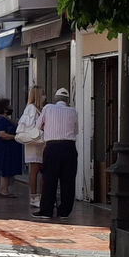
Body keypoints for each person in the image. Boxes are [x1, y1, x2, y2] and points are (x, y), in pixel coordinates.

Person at [36, 86, 81, 220]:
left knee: (49, 179)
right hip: (69, 147)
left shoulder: (48, 108)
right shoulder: (73, 111)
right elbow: (76, 131)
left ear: (56, 99)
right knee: (68, 180)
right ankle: (64, 212)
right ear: (67, 100)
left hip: (52, 147)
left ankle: (46, 211)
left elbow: (38, 126)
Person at [17, 85, 46, 210]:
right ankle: (34, 197)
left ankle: (43, 196)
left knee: (43, 170)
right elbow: (29, 126)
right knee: (34, 170)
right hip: (34, 143)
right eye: (43, 93)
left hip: (41, 143)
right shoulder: (31, 109)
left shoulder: (41, 109)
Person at [0, 98, 24, 198]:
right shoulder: (1, 120)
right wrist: (15, 137)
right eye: (9, 106)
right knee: (5, 167)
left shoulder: (6, 119)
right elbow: (1, 134)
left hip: (9, 148)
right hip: (5, 148)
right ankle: (4, 190)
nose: (11, 108)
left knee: (7, 167)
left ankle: (3, 188)